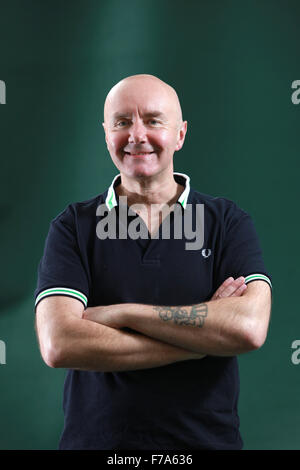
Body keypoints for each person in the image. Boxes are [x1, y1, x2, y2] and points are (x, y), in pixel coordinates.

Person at [34, 74, 272, 450]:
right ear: (106, 133)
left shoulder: (227, 222)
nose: (136, 135)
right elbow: (60, 343)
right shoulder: (72, 226)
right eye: (122, 122)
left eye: (153, 121)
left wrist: (121, 313)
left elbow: (248, 328)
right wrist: (202, 339)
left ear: (180, 134)